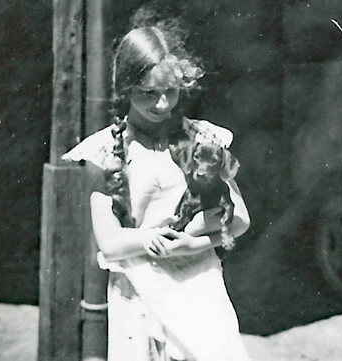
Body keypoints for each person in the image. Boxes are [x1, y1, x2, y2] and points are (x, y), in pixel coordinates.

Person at [62, 7, 252, 361]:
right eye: (148, 93)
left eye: (170, 91)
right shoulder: (105, 151)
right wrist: (151, 239)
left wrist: (192, 245)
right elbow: (110, 242)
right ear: (126, 87)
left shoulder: (203, 139)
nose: (162, 104)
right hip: (138, 291)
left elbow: (239, 219)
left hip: (199, 286)